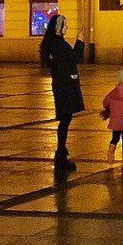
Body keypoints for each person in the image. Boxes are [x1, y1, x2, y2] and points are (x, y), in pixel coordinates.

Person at [40, 14, 85, 169]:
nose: (67, 28)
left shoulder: (54, 43)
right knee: (65, 118)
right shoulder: (58, 44)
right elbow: (74, 57)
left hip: (63, 83)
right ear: (57, 28)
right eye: (64, 25)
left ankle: (62, 150)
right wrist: (79, 41)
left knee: (66, 117)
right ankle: (60, 153)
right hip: (64, 85)